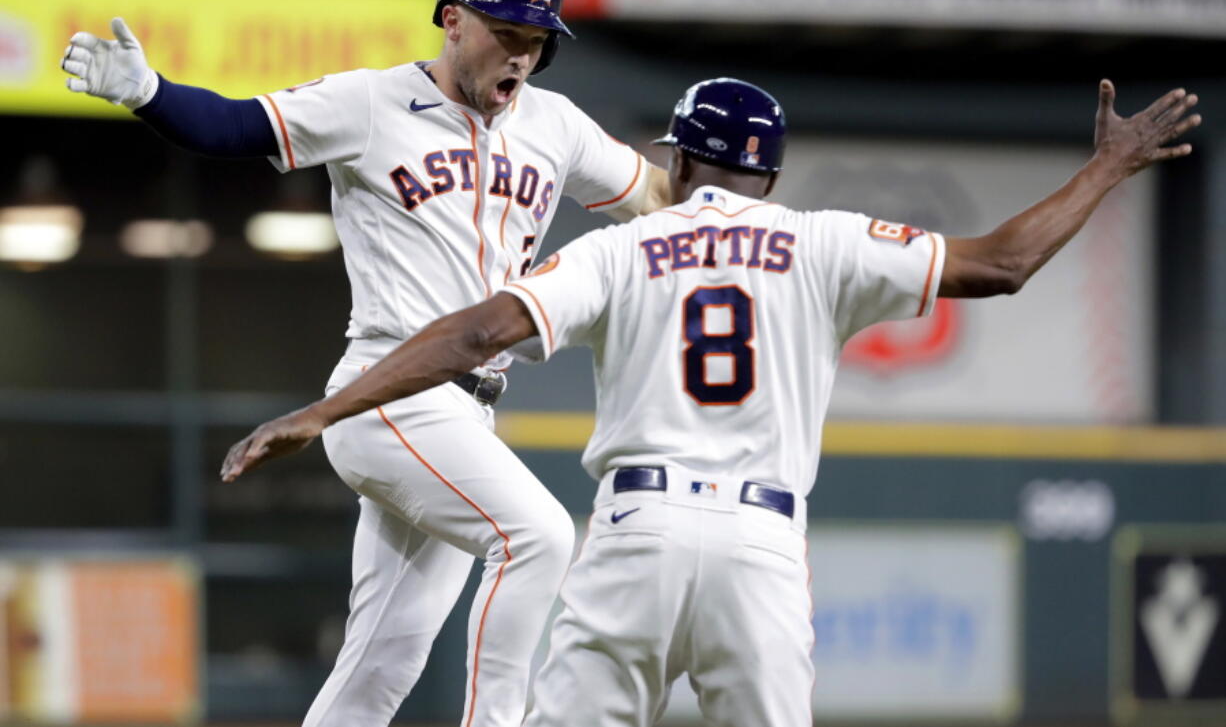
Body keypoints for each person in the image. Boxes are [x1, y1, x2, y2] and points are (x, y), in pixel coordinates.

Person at [219, 76, 1199, 726]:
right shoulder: (820, 237)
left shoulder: (619, 244)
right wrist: (1106, 166)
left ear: (678, 164)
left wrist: (330, 406)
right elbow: (1004, 262)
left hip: (633, 537)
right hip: (757, 550)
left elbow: (477, 333)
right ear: (765, 174)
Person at [61, 0, 671, 727]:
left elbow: (655, 196)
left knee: (380, 668)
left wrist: (733, 206)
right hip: (387, 396)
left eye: (538, 37)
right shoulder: (374, 104)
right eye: (508, 31)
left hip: (469, 411)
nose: (525, 51)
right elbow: (237, 127)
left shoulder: (554, 124)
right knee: (540, 535)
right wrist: (148, 91)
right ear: (453, 20)